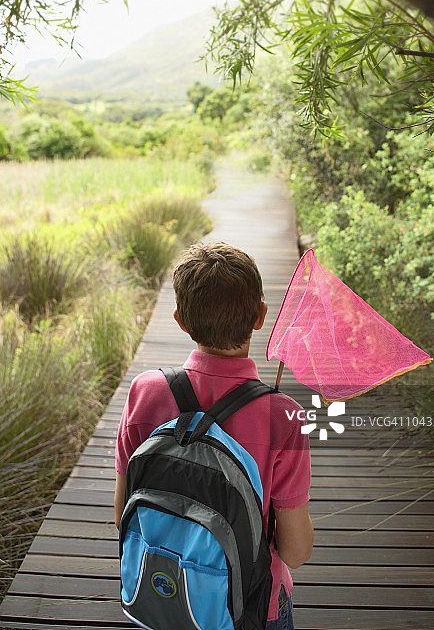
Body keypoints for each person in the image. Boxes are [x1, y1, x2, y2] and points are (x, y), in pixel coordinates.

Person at [114, 241, 313, 629]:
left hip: (159, 597)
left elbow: (122, 513)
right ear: (260, 316)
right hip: (252, 609)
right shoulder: (283, 415)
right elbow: (296, 550)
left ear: (180, 320)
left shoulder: (144, 391)